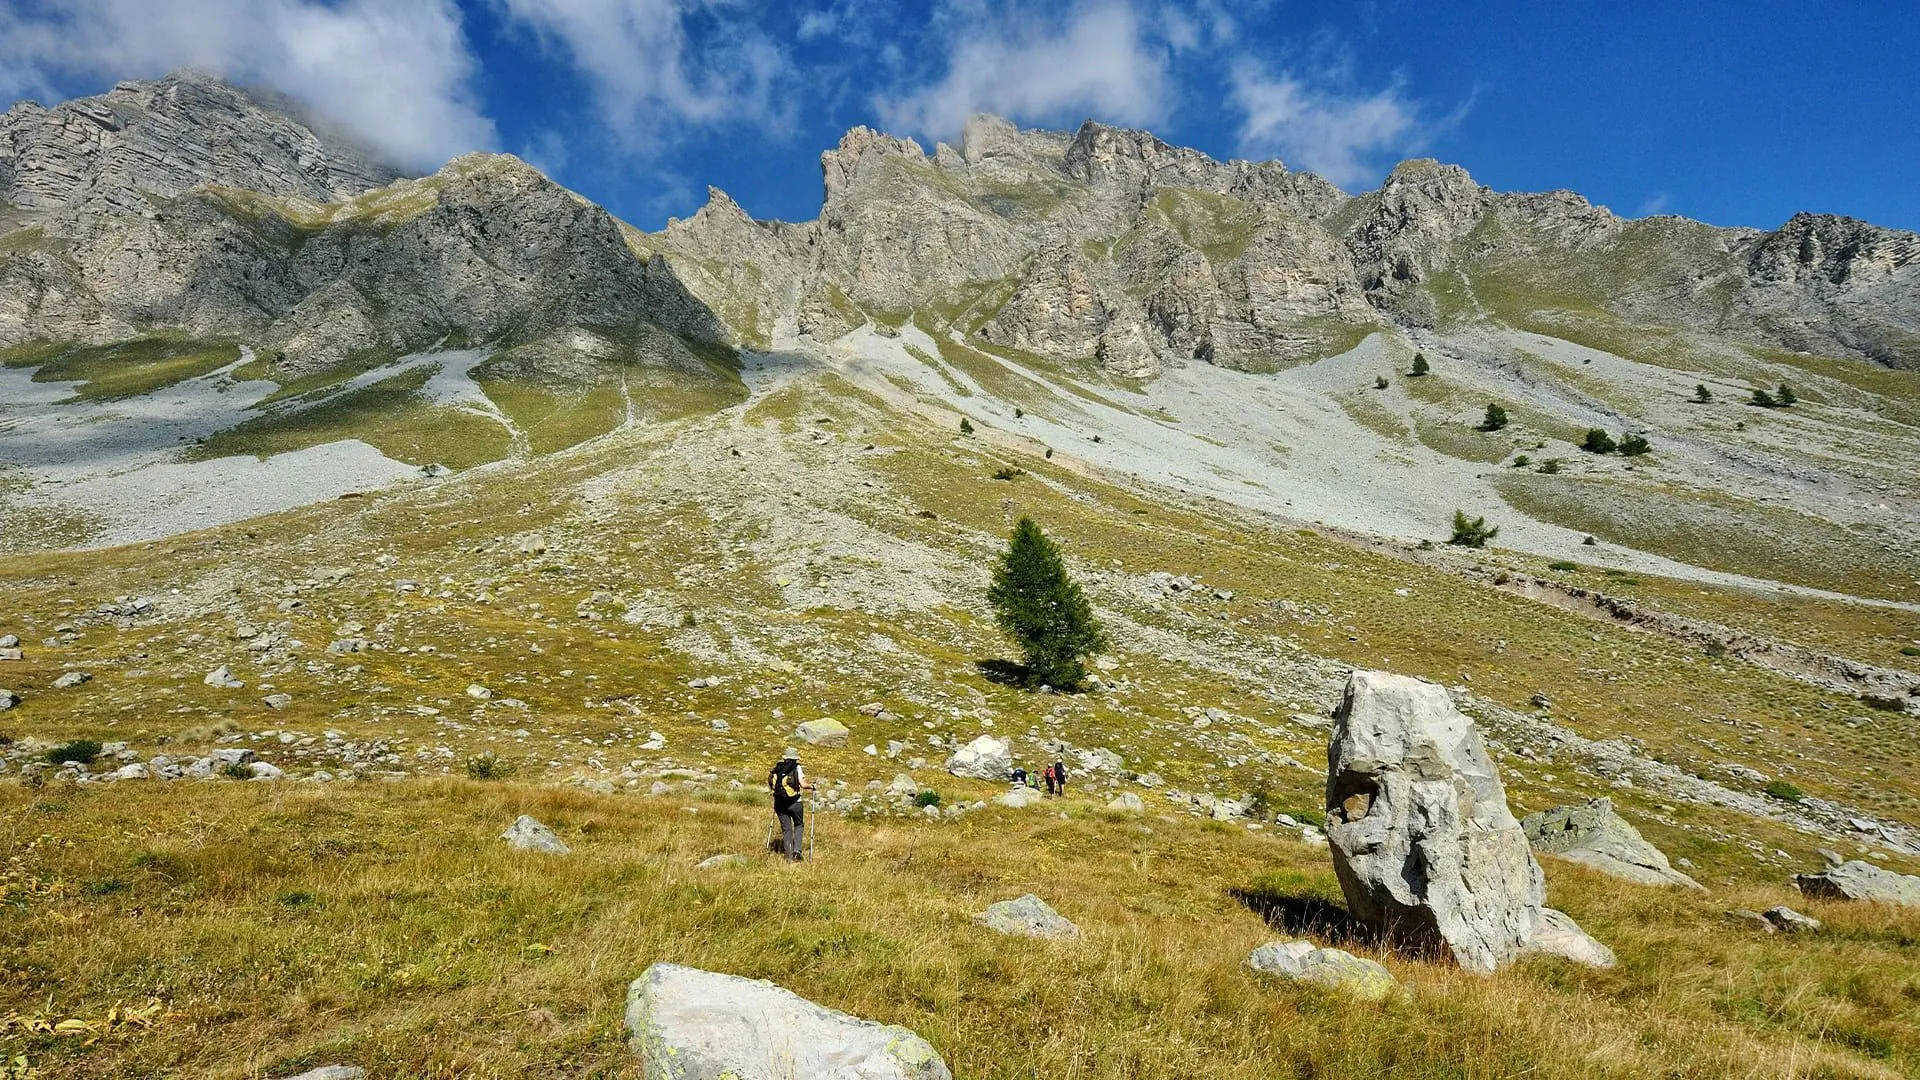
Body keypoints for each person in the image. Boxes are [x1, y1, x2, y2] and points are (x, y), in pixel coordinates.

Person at [767, 748, 815, 861]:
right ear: (795, 758)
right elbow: (803, 784)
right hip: (795, 802)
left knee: (787, 829)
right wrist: (812, 786)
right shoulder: (796, 767)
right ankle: (797, 851)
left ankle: (788, 856)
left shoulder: (778, 768)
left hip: (779, 803)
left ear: (785, 757)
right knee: (799, 825)